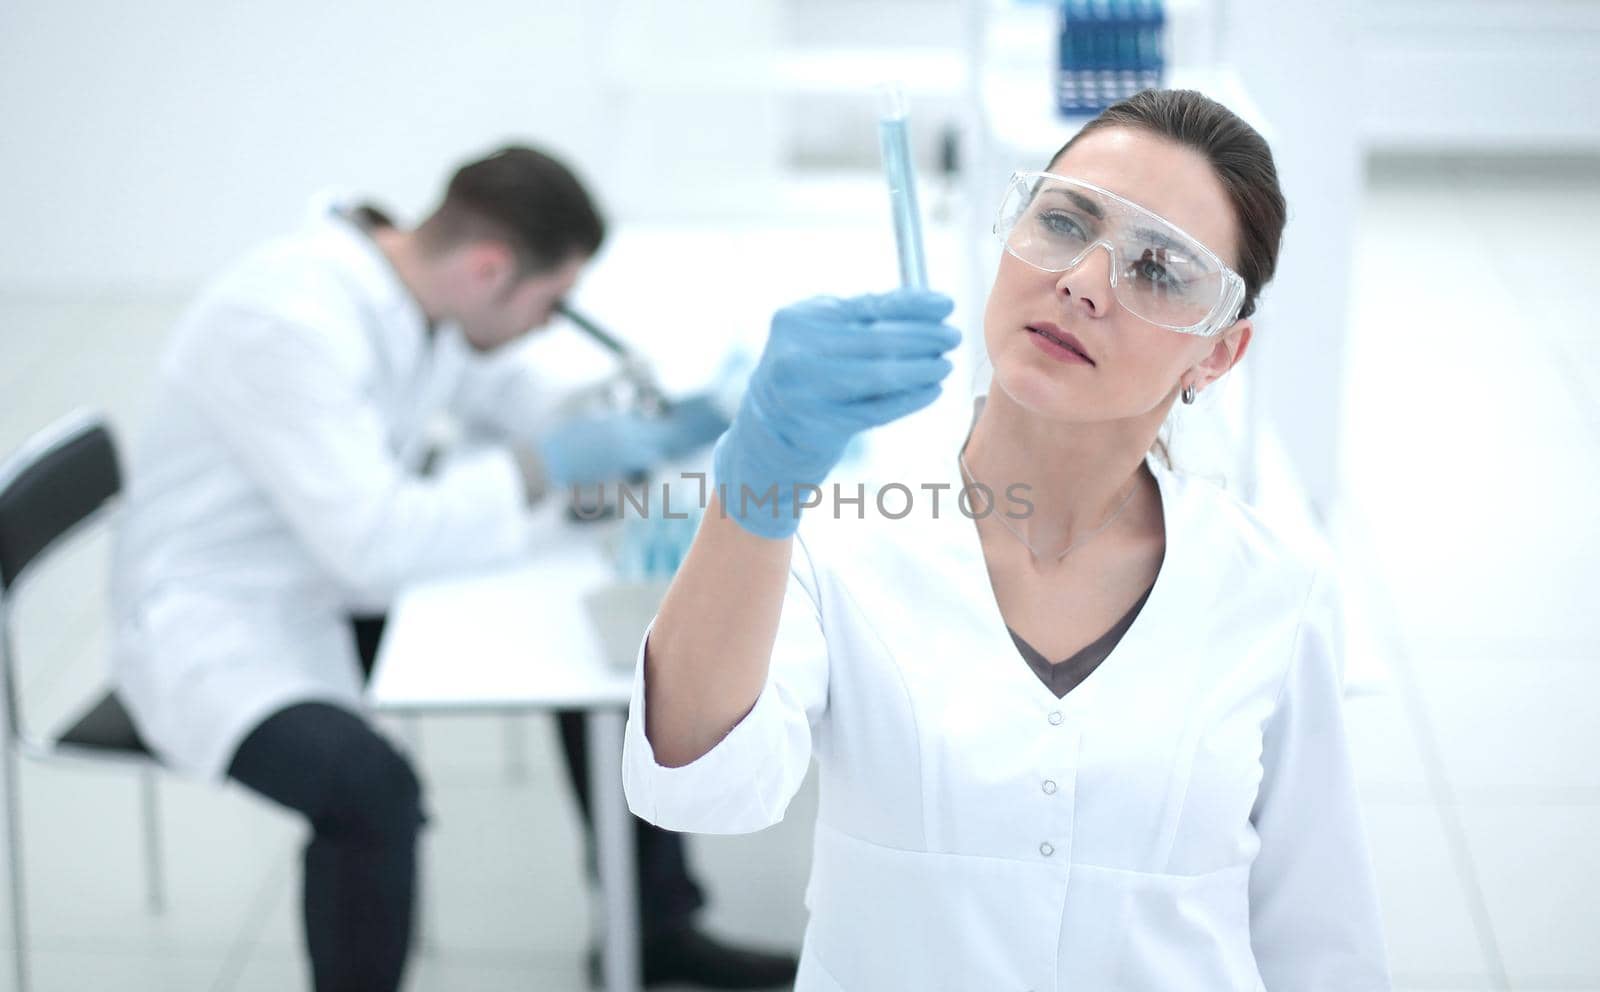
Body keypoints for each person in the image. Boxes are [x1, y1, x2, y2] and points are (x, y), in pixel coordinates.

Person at [622, 89, 1393, 991]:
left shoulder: (1274, 589)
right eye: (1065, 223)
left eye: (1158, 269)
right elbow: (693, 788)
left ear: (1216, 355)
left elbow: (1319, 938)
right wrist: (754, 490)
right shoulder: (844, 533)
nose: (1084, 282)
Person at [110, 145, 797, 991]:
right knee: (369, 794)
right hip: (221, 622)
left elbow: (496, 393)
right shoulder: (288, 324)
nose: (553, 322)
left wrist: (619, 420)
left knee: (587, 655)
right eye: (552, 302)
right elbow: (372, 543)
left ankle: (655, 932)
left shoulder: (414, 293)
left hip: (324, 576)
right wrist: (546, 464)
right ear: (488, 268)